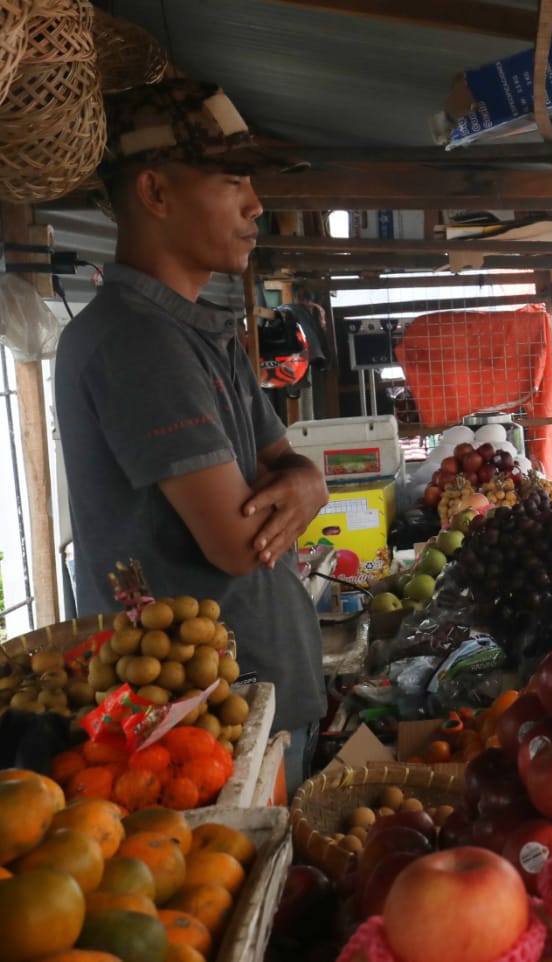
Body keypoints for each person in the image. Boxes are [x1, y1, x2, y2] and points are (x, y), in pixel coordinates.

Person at [54, 79, 328, 794]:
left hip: (253, 712)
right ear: (155, 191)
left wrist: (309, 482)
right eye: (232, 180)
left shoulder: (198, 335)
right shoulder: (138, 342)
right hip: (203, 743)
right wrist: (297, 489)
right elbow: (239, 544)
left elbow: (289, 466)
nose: (255, 205)